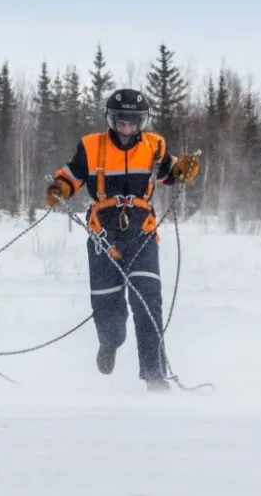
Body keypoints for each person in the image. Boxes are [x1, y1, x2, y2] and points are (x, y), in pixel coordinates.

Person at [44, 88, 200, 392]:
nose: (127, 128)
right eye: (121, 122)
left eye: (133, 122)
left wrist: (183, 170)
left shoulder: (155, 145)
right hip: (104, 233)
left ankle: (155, 375)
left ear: (143, 121)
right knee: (108, 308)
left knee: (148, 302)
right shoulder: (91, 146)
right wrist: (60, 188)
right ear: (110, 119)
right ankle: (110, 342)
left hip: (142, 232)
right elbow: (72, 176)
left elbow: (170, 172)